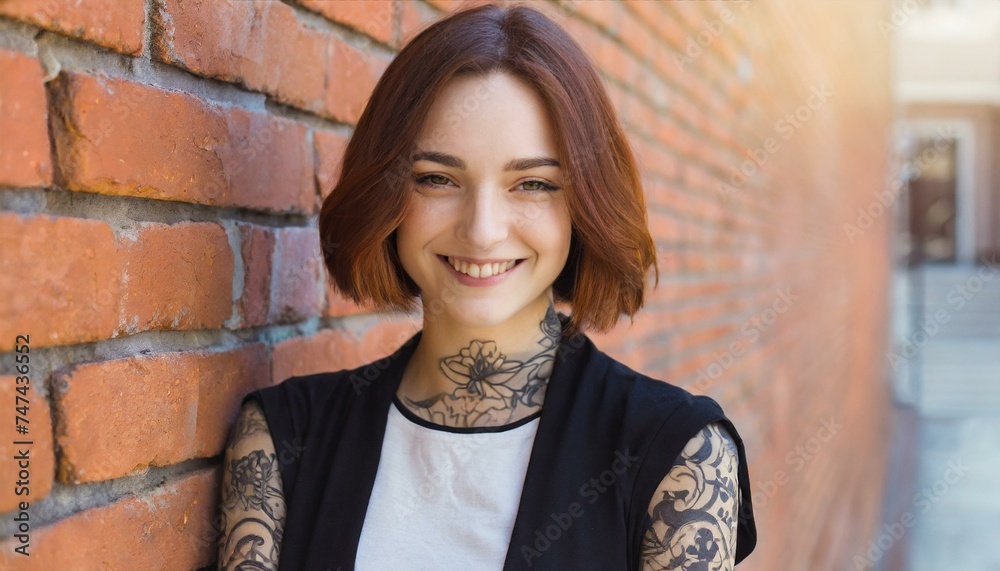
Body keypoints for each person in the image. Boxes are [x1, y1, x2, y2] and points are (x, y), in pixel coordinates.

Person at [216, 3, 757, 570]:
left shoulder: (679, 457)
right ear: (388, 198)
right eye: (437, 179)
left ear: (584, 205)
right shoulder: (281, 440)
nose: (482, 229)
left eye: (531, 183)